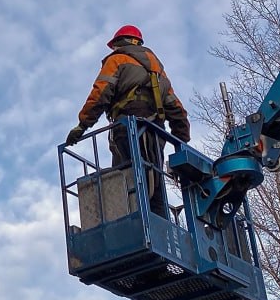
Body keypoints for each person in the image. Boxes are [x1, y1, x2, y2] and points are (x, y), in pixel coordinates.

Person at [65, 25, 190, 217]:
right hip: (156, 132)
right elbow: (175, 107)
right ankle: (160, 227)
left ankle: (134, 222)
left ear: (120, 42)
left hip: (128, 126)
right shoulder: (158, 70)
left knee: (128, 175)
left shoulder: (117, 59)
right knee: (154, 179)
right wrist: (181, 138)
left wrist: (82, 125)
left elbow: (100, 94)